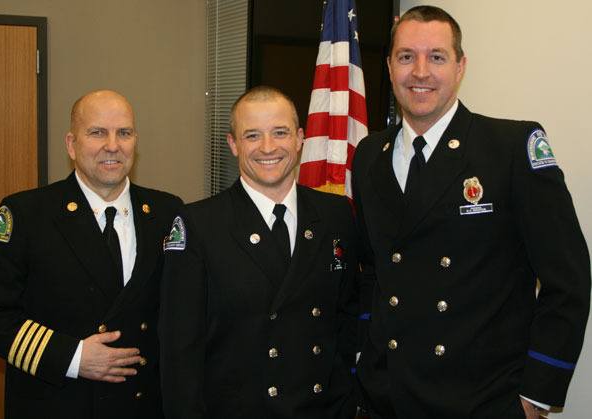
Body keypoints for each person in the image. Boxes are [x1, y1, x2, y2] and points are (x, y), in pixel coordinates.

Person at [351, 6, 590, 419]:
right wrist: (364, 357)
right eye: (406, 56)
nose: (420, 72)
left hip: (481, 399)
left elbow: (567, 280)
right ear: (390, 67)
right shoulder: (371, 153)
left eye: (437, 57)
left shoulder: (511, 148)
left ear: (460, 67)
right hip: (386, 398)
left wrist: (535, 395)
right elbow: (374, 270)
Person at [0, 89, 183, 419]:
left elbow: (184, 312)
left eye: (123, 133)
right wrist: (73, 356)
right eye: (97, 132)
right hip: (58, 402)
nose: (113, 145)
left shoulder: (168, 212)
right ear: (71, 144)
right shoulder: (27, 214)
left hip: (142, 405)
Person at [159, 86, 358, 419]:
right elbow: (180, 351)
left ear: (299, 139)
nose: (268, 147)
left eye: (280, 133)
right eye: (252, 136)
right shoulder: (200, 224)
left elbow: (347, 319)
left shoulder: (336, 214)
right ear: (234, 145)